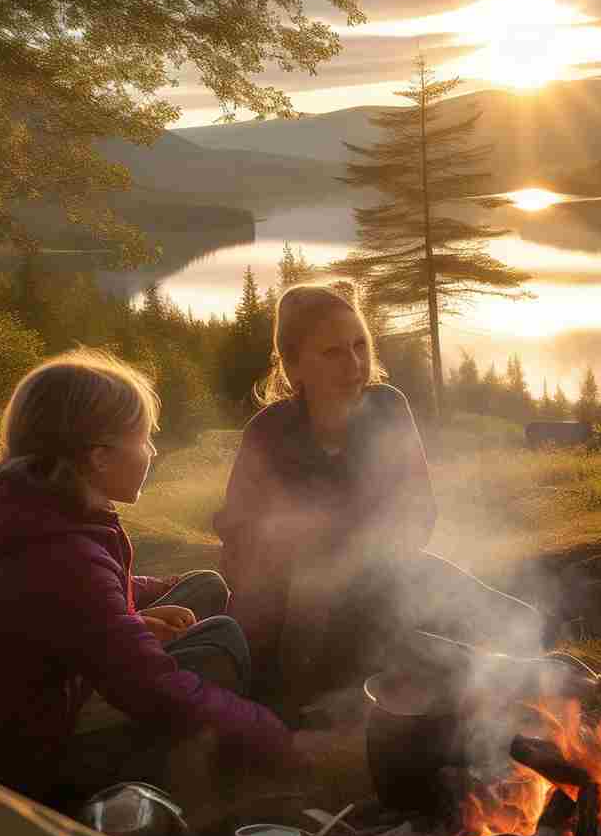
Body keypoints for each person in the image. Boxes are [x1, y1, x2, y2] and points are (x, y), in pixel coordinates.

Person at [0, 349, 323, 807]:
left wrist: (153, 595)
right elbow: (151, 688)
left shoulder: (39, 513)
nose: (152, 451)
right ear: (101, 457)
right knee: (220, 643)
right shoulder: (61, 558)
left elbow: (88, 600)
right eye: (145, 439)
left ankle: (233, 719)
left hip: (26, 713)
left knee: (203, 585)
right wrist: (277, 738)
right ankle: (194, 788)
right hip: (5, 769)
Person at [215, 281, 545, 708]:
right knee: (356, 647)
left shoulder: (388, 408)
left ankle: (473, 670)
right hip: (293, 601)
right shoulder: (268, 432)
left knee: (523, 622)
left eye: (360, 346)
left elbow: (419, 512)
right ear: (294, 367)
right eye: (332, 353)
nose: (353, 364)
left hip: (386, 574)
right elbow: (238, 537)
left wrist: (372, 561)